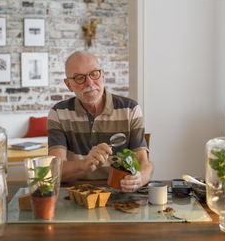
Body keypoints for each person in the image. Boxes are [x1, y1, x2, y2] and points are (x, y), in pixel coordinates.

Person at [47, 51, 153, 192]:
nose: (89, 83)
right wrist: (84, 165)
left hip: (119, 194)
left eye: (94, 74)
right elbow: (55, 169)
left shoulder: (130, 109)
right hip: (74, 197)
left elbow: (143, 163)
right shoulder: (58, 113)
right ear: (68, 85)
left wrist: (140, 178)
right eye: (79, 77)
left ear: (102, 75)